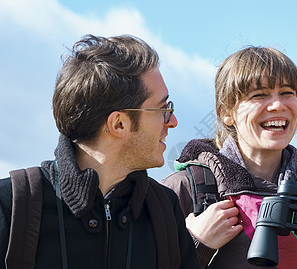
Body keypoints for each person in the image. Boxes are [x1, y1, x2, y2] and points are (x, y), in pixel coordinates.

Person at [0, 35, 199, 268]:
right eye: (163, 109)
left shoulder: (164, 211)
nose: (173, 121)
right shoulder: (12, 206)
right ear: (119, 124)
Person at [162, 46, 297, 268]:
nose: (278, 105)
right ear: (227, 113)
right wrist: (197, 244)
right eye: (259, 95)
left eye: (288, 93)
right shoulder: (185, 189)